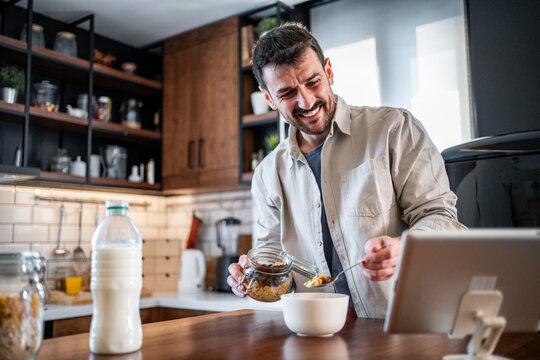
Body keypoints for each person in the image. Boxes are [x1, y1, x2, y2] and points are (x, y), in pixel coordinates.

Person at [227, 22, 466, 318]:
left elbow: (442, 218)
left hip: (406, 324)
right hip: (319, 334)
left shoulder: (394, 129)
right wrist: (252, 280)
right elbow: (276, 274)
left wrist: (405, 247)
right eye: (287, 92)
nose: (306, 101)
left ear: (328, 72)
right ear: (269, 99)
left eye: (313, 81)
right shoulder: (267, 176)